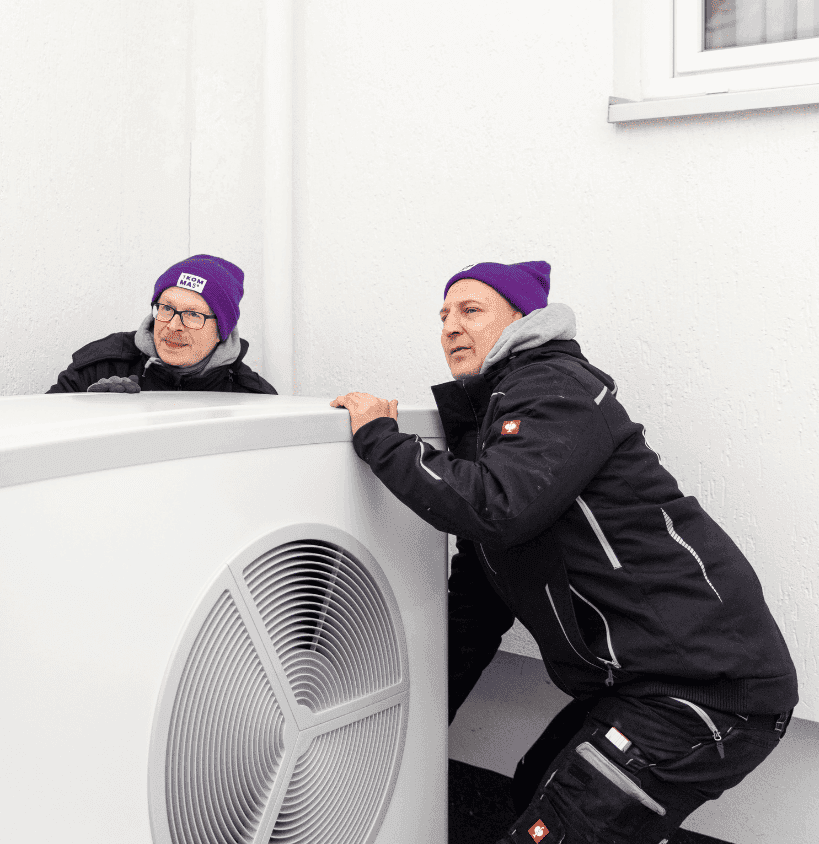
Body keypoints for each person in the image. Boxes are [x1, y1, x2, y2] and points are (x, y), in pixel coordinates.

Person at [331, 261, 797, 844]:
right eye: (444, 314)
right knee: (534, 788)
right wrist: (405, 724)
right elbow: (477, 605)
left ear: (525, 320)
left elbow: (498, 507)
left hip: (704, 689)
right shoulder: (495, 420)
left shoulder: (554, 387)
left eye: (471, 310)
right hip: (637, 685)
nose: (450, 326)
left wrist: (379, 438)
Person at [47, 254, 277, 395]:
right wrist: (87, 410)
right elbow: (44, 429)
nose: (174, 325)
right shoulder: (101, 368)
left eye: (193, 315)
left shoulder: (249, 397)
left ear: (222, 330)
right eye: (166, 309)